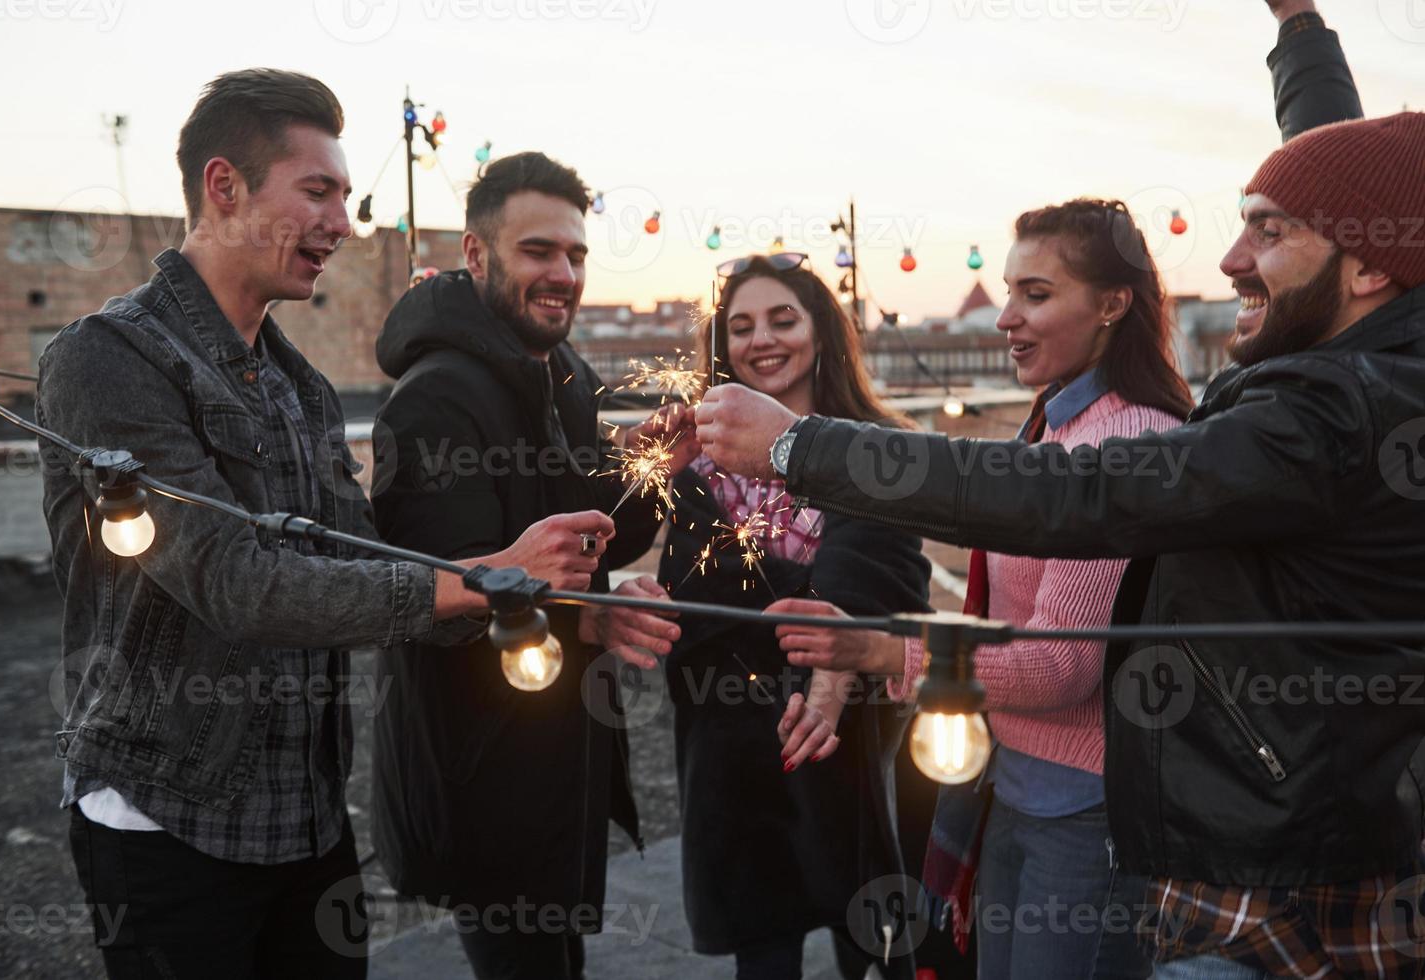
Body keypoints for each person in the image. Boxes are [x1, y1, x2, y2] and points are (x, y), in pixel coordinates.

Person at [695, 100, 1425, 980]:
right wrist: (1296, 33)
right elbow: (1366, 184)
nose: (1230, 259)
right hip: (1170, 803)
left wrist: (799, 453)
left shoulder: (1313, 412)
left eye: (1266, 232)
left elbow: (1070, 525)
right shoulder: (1352, 378)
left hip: (1257, 845)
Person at [38, 70, 599, 979]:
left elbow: (354, 559)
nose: (342, 221)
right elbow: (238, 583)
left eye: (342, 195)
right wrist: (480, 580)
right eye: (318, 192)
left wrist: (518, 570)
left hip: (306, 819)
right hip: (166, 826)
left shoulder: (297, 383)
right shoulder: (108, 361)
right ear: (224, 187)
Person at [777, 198, 1190, 979]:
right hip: (1012, 779)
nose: (1006, 318)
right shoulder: (1054, 425)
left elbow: (1057, 666)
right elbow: (1007, 622)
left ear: (1111, 304)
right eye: (1007, 292)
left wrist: (877, 648)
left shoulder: (1129, 437)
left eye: (1035, 295)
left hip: (1087, 807)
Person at [367, 151, 697, 980]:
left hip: (560, 747)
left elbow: (595, 547)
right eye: (538, 251)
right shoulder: (435, 397)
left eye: (576, 255)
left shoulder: (563, 374)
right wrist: (594, 617)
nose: (563, 274)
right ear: (476, 256)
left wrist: (654, 475)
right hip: (481, 764)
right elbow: (430, 601)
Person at [602, 253, 931, 980]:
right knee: (763, 946)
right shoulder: (698, 464)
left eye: (783, 319)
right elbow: (655, 570)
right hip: (733, 750)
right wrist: (650, 469)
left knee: (874, 940)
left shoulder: (874, 444)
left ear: (821, 331)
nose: (763, 340)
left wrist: (807, 625)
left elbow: (889, 581)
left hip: (847, 736)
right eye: (742, 326)